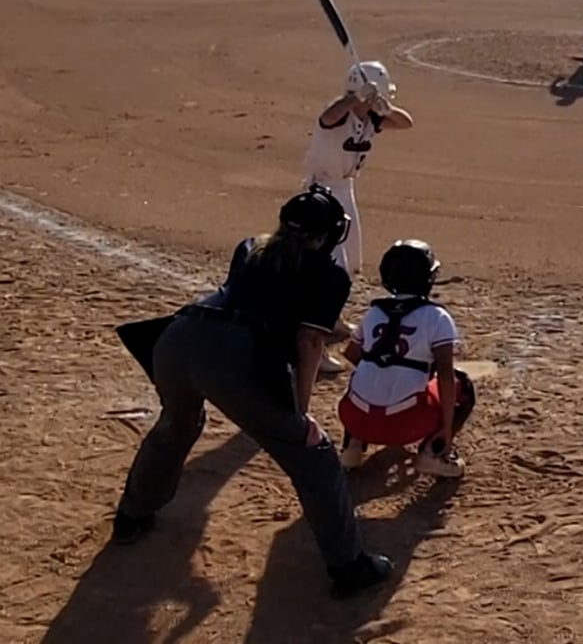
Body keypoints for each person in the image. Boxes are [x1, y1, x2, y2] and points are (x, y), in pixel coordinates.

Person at [110, 186, 393, 598]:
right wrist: (299, 413)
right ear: (332, 234)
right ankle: (349, 567)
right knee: (314, 457)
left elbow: (273, 299)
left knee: (177, 425)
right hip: (232, 357)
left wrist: (339, 328)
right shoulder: (330, 275)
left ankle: (130, 516)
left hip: (177, 338)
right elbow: (309, 342)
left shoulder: (250, 248)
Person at [337, 239, 474, 478]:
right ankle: (433, 453)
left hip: (355, 418)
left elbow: (351, 354)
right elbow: (445, 376)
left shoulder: (374, 312)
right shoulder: (437, 317)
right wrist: (446, 427)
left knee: (362, 379)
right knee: (462, 384)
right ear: (429, 278)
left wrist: (386, 371)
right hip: (405, 426)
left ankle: (352, 448)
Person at [304, 60, 412, 281]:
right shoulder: (340, 113)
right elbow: (328, 117)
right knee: (331, 255)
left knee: (351, 256)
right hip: (321, 189)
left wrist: (388, 110)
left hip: (345, 188)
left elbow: (406, 123)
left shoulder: (372, 118)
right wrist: (357, 98)